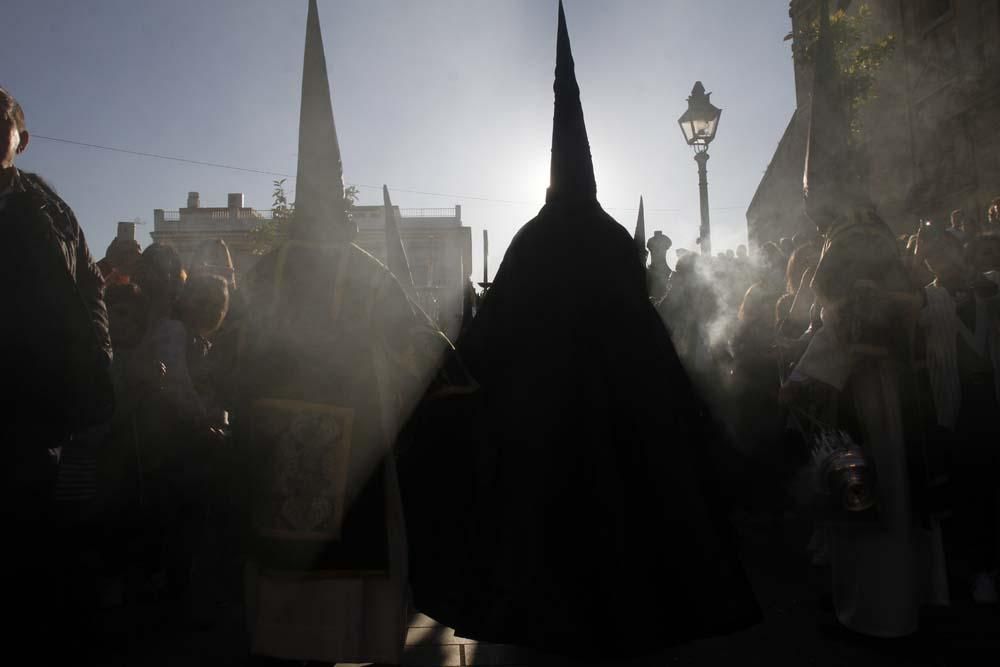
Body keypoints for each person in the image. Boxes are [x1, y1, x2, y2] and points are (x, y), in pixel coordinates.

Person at [446, 4, 761, 660]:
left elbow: (486, 341)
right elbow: (646, 335)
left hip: (539, 438)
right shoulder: (614, 237)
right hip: (621, 431)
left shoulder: (530, 242)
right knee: (619, 579)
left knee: (546, 587)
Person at [230, 3, 449, 663]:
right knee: (350, 606)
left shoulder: (265, 272)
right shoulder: (371, 273)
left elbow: (236, 360)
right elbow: (427, 353)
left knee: (289, 627)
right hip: (354, 472)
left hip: (279, 479)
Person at [0, 85, 114, 658]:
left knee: (31, 532)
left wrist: (98, 362)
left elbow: (89, 285)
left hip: (34, 403)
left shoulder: (49, 209)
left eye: (4, 119)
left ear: (20, 137)